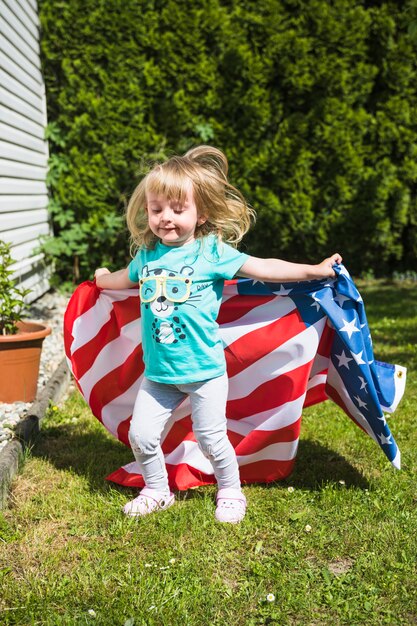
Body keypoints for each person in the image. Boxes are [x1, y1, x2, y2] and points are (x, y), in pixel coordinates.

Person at [95, 145, 342, 524]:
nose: (166, 218)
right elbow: (121, 280)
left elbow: (263, 267)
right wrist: (99, 280)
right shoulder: (146, 257)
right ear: (146, 210)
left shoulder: (211, 253)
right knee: (142, 437)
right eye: (157, 209)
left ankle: (230, 490)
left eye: (178, 210)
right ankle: (157, 490)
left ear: (201, 213)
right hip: (159, 376)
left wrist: (314, 270)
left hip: (206, 373)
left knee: (212, 439)